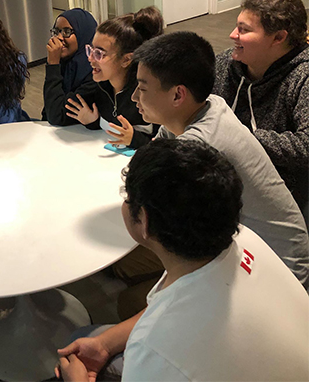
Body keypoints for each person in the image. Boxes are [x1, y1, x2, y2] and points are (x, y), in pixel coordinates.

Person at [56, 139, 309, 382]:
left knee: (80, 336)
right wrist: (105, 343)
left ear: (143, 221)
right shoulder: (242, 240)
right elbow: (170, 305)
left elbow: (162, 332)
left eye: (127, 197)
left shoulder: (155, 347)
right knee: (95, 336)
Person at [131, 31, 309, 287]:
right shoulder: (207, 104)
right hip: (246, 242)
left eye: (143, 88)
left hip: (275, 266)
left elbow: (151, 203)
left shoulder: (198, 147)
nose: (135, 97)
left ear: (177, 95)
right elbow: (154, 151)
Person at [214, 0, 309, 227]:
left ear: (278, 38)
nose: (232, 34)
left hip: (275, 197)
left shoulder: (303, 77)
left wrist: (239, 136)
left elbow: (306, 147)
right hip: (220, 181)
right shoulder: (226, 63)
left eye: (244, 30)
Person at [56, 7, 163, 149]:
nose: (90, 58)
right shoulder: (99, 84)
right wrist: (92, 122)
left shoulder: (150, 96)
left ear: (126, 60)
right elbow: (56, 114)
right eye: (91, 49)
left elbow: (170, 147)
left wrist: (134, 139)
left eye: (99, 53)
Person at [43, 8, 98, 125]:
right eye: (56, 31)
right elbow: (46, 112)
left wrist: (53, 65)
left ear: (83, 33)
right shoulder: (65, 64)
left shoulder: (94, 72)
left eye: (67, 32)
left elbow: (57, 116)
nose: (59, 37)